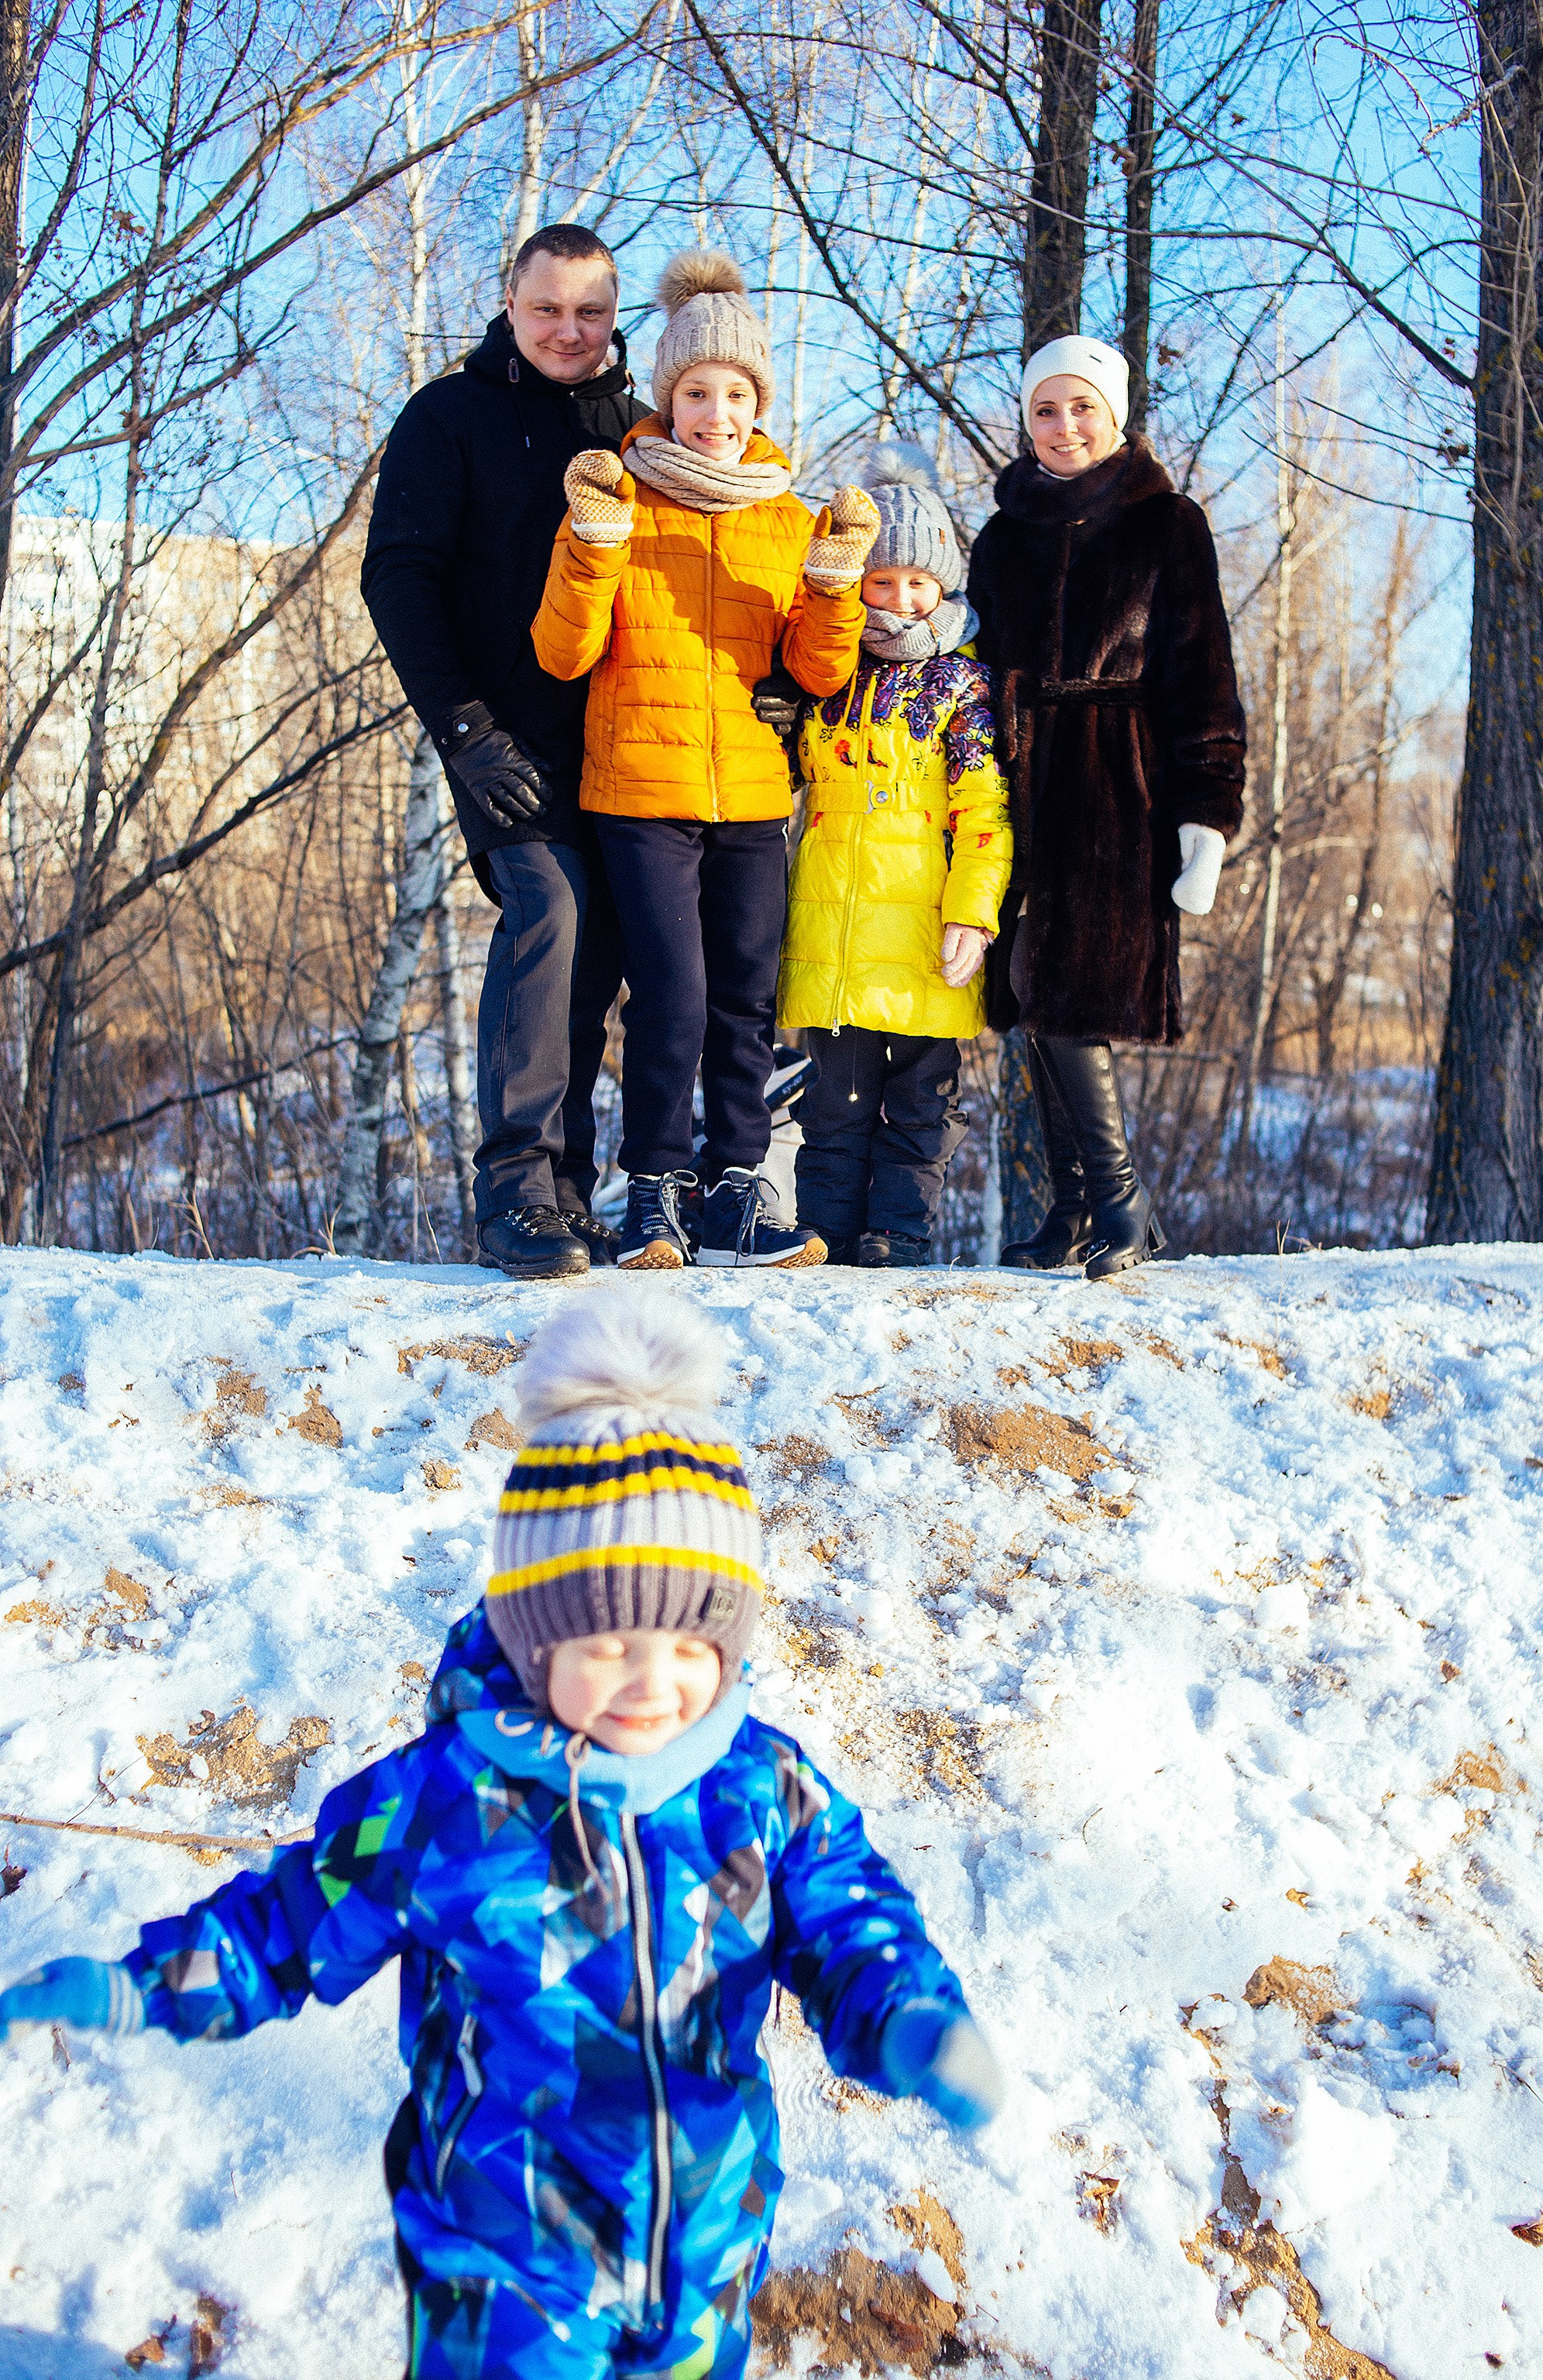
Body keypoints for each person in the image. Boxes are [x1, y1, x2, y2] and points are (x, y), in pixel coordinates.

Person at [0, 1297, 1005, 2380]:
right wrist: (138, 1987)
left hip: (708, 2250)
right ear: (535, 1644)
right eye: (607, 1645)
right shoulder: (448, 1802)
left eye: (688, 1646)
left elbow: (851, 1919)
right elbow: (281, 1927)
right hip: (505, 2269)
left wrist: (910, 2018)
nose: (651, 1684)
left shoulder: (761, 1789)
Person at [532, 251, 879, 1271]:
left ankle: (735, 1192)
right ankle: (653, 1195)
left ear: (757, 403)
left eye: (734, 394)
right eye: (695, 393)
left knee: (745, 1001)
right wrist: (594, 544)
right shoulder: (619, 499)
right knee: (671, 999)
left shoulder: (789, 517)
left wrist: (833, 583)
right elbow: (563, 653)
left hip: (755, 798)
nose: (715, 414)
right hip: (642, 792)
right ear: (666, 398)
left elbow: (818, 671)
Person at [362, 224, 644, 1281]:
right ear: (510, 305)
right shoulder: (449, 416)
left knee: (601, 950)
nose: (569, 330)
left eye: (590, 311)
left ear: (614, 317)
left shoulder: (641, 430)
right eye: (547, 309)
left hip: (623, 745)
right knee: (549, 914)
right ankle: (515, 1193)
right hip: (502, 742)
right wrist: (463, 729)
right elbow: (398, 577)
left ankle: (569, 1196)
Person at [967, 335, 1246, 1278]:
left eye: (1081, 406)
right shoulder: (1001, 536)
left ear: (1114, 414)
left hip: (1117, 785)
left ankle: (1124, 1206)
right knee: (1030, 995)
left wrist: (1205, 813)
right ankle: (1075, 1208)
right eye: (1045, 410)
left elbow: (1202, 673)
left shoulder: (1165, 523)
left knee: (1073, 990)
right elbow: (973, 664)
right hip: (1011, 784)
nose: (1063, 426)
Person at [777, 445, 1012, 1267]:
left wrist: (971, 916)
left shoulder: (962, 686)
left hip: (923, 930)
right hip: (831, 932)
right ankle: (825, 1233)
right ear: (858, 583)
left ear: (944, 585)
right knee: (833, 1102)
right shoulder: (823, 674)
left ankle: (898, 1234)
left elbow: (984, 812)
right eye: (882, 581)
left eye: (919, 582)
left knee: (920, 1099)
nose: (902, 600)